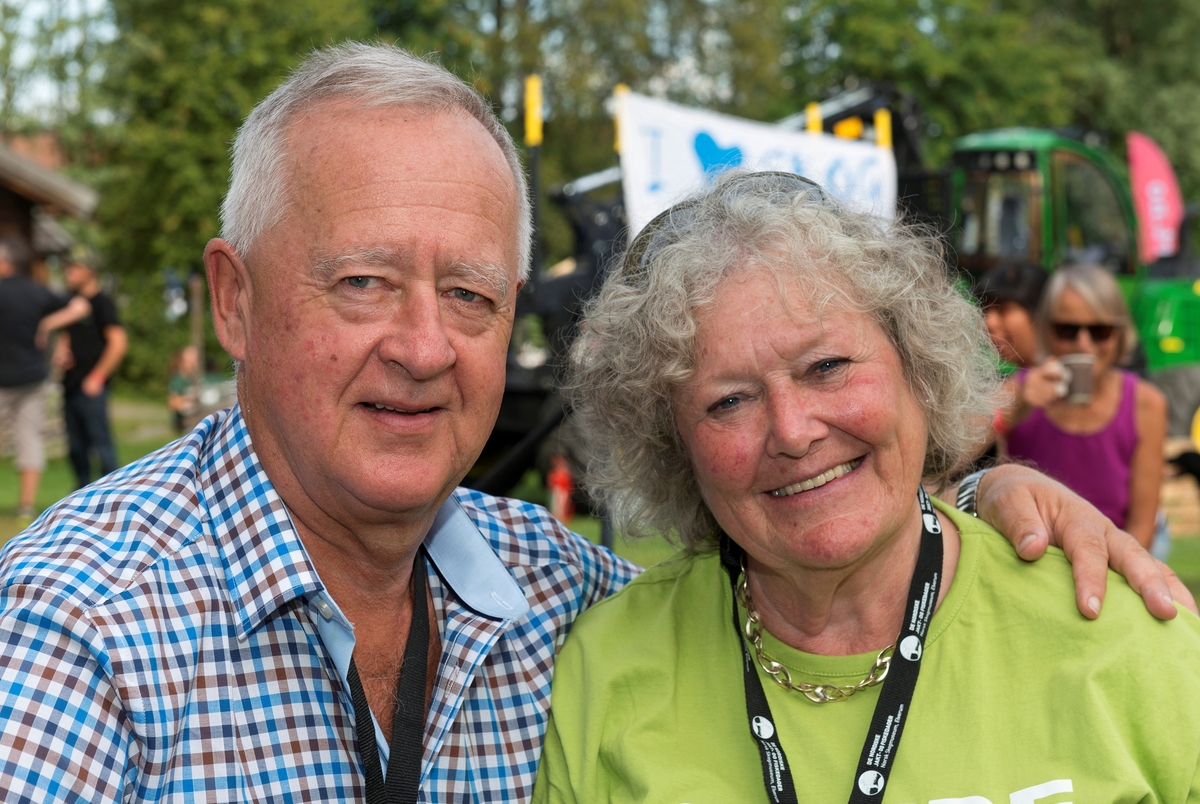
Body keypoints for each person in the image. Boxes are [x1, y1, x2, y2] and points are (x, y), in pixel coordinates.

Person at [0, 47, 1187, 804]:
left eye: (468, 296)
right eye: (361, 282)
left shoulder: (558, 597)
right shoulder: (74, 630)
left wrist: (977, 498)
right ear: (234, 299)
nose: (422, 346)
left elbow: (842, 537)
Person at [534, 173, 1200, 802]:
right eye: (729, 401)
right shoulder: (605, 674)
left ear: (919, 369)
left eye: (827, 367)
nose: (792, 431)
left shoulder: (1124, 634)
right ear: (674, 446)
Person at [1006, 265, 1168, 550]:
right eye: (1067, 330)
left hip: (1115, 560)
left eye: (1100, 331)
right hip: (1034, 559)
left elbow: (1142, 525)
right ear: (1045, 330)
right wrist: (1015, 405)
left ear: (1119, 334)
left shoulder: (1145, 404)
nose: (1084, 343)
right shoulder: (1021, 391)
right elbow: (952, 453)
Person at [0, 236, 90, 521]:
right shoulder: (36, 292)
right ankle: (26, 505)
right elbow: (81, 307)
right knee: (30, 439)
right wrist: (48, 323)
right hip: (32, 379)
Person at [56, 253, 127, 487]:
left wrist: (97, 376)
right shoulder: (72, 302)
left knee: (101, 446)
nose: (70, 274)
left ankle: (115, 497)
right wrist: (63, 352)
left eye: (75, 269)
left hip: (92, 388)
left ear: (90, 272)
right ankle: (79, 500)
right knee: (76, 448)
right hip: (71, 384)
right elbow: (68, 336)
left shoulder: (101, 303)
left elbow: (118, 343)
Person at [166, 344, 199, 433]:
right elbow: (173, 403)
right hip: (183, 423)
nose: (193, 364)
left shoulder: (194, 378)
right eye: (190, 361)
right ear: (182, 361)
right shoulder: (178, 380)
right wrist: (190, 399)